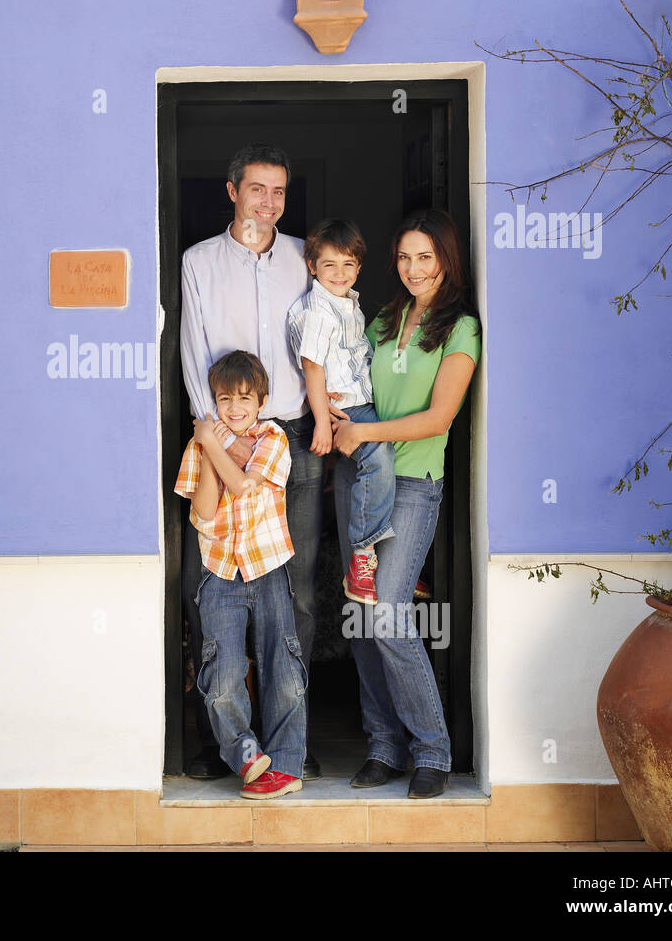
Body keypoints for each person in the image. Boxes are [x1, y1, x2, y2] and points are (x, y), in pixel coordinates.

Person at [179, 144, 323, 780]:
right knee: (212, 585)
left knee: (297, 592)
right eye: (257, 189)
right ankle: (228, 743)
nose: (269, 203)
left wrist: (329, 413)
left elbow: (329, 336)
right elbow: (193, 352)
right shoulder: (199, 263)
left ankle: (289, 743)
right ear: (232, 191)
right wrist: (213, 434)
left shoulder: (302, 258)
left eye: (279, 192)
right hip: (221, 430)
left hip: (289, 435)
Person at [329, 209, 481, 799]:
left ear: (446, 259)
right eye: (404, 257)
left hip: (415, 483)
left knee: (389, 612)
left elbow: (440, 417)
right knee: (363, 618)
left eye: (425, 257)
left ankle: (432, 750)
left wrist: (364, 435)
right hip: (362, 482)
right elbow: (354, 387)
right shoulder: (384, 318)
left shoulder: (459, 327)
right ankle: (384, 746)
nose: (413, 268)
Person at [174, 350, 307, 799]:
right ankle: (246, 754)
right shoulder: (200, 447)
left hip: (267, 566)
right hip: (219, 573)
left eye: (244, 398)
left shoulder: (274, 438)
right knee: (222, 670)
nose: (234, 408)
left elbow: (246, 486)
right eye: (225, 398)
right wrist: (209, 450)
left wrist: (212, 443)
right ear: (214, 401)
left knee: (282, 664)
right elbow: (206, 509)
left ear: (262, 401)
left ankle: (287, 765)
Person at [286, 218, 396, 607]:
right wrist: (320, 420)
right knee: (379, 457)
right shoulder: (318, 310)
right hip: (343, 411)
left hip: (360, 402)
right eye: (329, 265)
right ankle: (364, 554)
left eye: (348, 264)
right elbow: (312, 366)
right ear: (312, 266)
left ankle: (375, 559)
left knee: (377, 463)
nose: (339, 273)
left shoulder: (349, 303)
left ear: (359, 268)